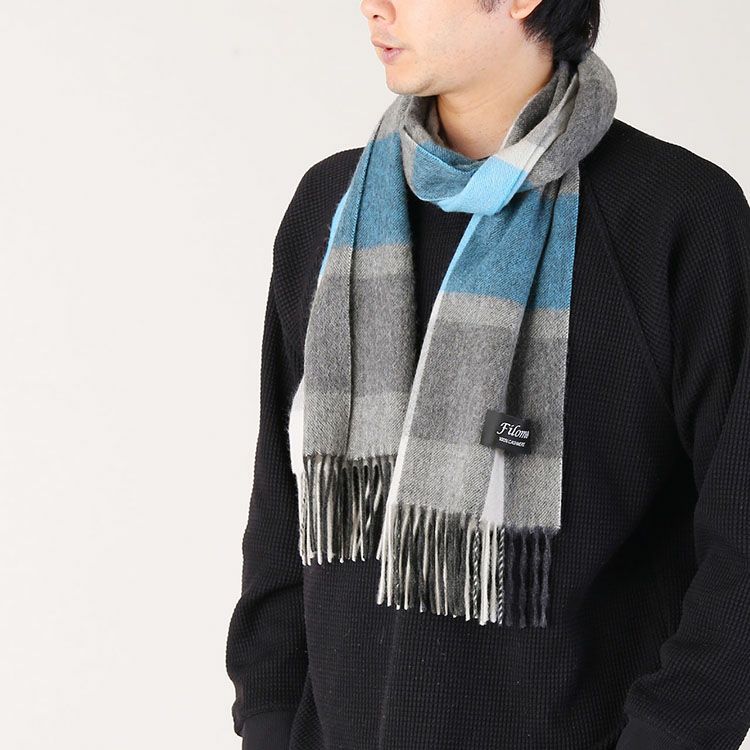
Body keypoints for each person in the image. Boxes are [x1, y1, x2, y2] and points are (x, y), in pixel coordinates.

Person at [225, 1, 750, 748]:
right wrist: (270, 717)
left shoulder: (675, 216)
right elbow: (282, 506)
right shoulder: (331, 209)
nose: (374, 7)